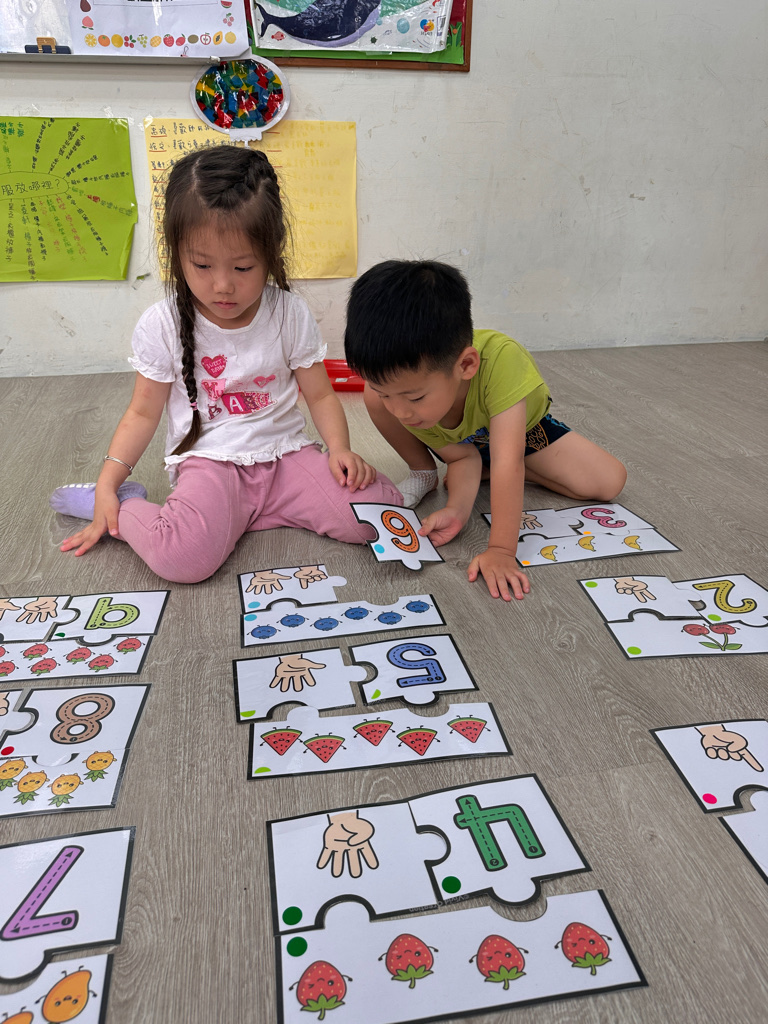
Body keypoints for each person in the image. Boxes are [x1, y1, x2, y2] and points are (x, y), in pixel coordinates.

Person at [51, 147, 401, 584]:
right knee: (183, 559)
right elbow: (142, 413)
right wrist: (108, 485)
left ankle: (245, 514)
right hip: (211, 463)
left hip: (286, 455)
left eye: (242, 267)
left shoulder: (289, 313)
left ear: (271, 252)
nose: (222, 285)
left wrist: (340, 449)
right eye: (201, 265)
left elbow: (320, 394)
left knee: (382, 514)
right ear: (176, 253)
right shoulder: (161, 324)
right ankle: (128, 503)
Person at [343, 260, 626, 601]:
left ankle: (496, 469)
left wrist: (502, 550)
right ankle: (424, 471)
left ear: (466, 365)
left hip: (522, 433)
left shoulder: (502, 360)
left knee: (608, 481)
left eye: (414, 397)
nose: (400, 412)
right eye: (388, 393)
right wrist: (458, 510)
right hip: (465, 445)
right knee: (371, 397)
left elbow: (508, 461)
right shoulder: (404, 402)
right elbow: (463, 458)